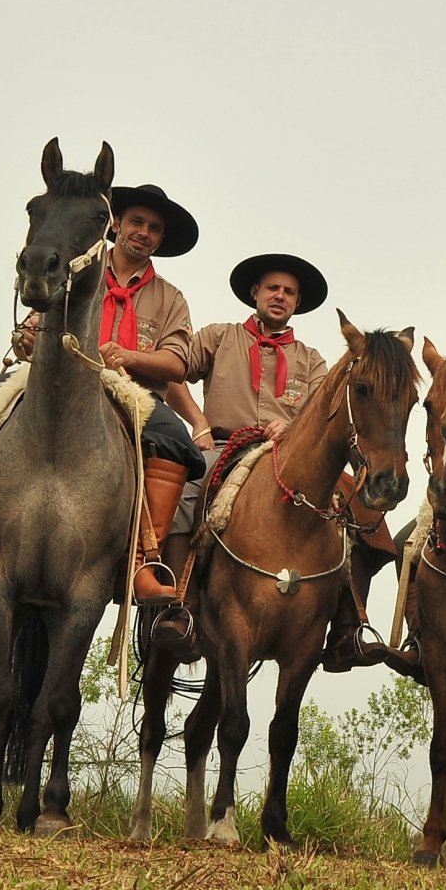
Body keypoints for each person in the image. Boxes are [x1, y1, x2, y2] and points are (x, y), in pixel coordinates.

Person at [0, 184, 207, 580]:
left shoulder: (171, 298)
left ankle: (141, 560)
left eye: (154, 227)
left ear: (160, 238)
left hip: (130, 394)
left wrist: (130, 356)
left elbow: (176, 363)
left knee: (177, 443)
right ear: (116, 224)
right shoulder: (72, 268)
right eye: (136, 221)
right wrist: (26, 337)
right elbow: (25, 338)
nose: (144, 232)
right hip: (55, 380)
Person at [131, 253, 332, 644]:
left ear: (297, 302)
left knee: (341, 506)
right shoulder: (219, 336)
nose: (280, 296)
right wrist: (198, 421)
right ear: (255, 292)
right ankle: (178, 604)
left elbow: (323, 413)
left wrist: (292, 428)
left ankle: (346, 623)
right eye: (273, 287)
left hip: (283, 456)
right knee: (185, 486)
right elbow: (173, 371)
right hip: (222, 447)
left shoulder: (312, 361)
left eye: (289, 292)